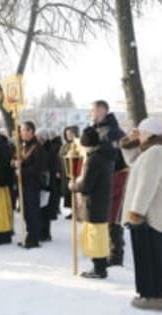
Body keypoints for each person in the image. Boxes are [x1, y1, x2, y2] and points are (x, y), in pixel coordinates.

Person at [121, 118, 162, 311]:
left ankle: (154, 295)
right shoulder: (150, 151)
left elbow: (147, 185)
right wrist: (129, 142)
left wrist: (136, 212)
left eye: (142, 131)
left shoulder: (155, 152)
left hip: (150, 216)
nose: (139, 134)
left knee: (150, 257)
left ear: (152, 132)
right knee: (148, 256)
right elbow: (132, 161)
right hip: (148, 215)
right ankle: (151, 293)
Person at [69, 127, 112, 279]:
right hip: (101, 201)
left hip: (94, 203)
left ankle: (99, 268)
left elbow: (86, 185)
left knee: (96, 236)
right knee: (98, 235)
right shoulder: (104, 156)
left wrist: (73, 186)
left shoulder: (93, 160)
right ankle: (99, 266)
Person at [91, 100, 128, 266]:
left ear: (102, 111)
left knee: (113, 216)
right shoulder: (96, 130)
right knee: (104, 215)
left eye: (94, 110)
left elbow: (117, 157)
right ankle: (106, 249)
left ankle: (116, 253)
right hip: (102, 177)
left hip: (116, 176)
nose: (92, 113)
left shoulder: (114, 132)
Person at [18, 121, 46, 249]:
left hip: (33, 184)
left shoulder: (37, 147)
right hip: (23, 183)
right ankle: (28, 234)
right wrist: (14, 163)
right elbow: (19, 160)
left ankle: (34, 237)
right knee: (25, 211)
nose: (21, 133)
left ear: (30, 131)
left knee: (32, 211)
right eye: (21, 131)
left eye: (23, 130)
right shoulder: (23, 146)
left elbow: (37, 168)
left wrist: (22, 170)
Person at [59, 126, 79, 219]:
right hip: (65, 172)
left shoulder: (78, 145)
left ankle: (77, 211)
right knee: (68, 192)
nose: (69, 136)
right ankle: (72, 210)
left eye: (70, 134)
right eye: (67, 134)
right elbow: (59, 158)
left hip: (75, 172)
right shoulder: (64, 146)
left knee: (74, 192)